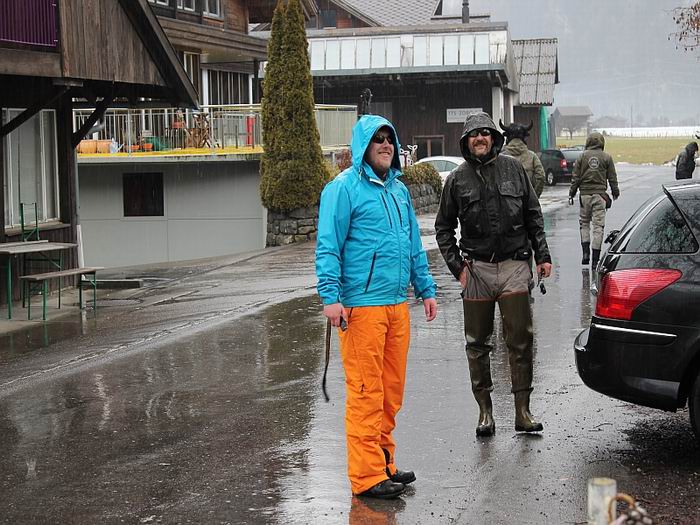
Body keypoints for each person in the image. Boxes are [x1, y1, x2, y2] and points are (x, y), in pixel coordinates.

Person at [316, 114, 438, 499]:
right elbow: (328, 246)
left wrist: (426, 288)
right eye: (377, 139)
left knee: (390, 392)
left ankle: (384, 462)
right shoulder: (342, 189)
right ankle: (366, 476)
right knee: (366, 392)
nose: (385, 144)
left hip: (396, 306)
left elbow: (413, 244)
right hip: (361, 308)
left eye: (390, 138)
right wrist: (331, 297)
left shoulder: (398, 190)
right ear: (363, 146)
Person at [434, 111, 552, 437]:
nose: (480, 138)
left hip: (514, 265)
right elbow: (443, 228)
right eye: (474, 135)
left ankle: (523, 412)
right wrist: (458, 268)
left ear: (494, 138)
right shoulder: (456, 179)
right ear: (466, 141)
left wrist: (542, 255)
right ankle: (485, 412)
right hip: (476, 270)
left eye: (485, 133)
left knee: (521, 340)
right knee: (477, 344)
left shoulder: (514, 168)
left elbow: (533, 214)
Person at [568, 132, 620, 268]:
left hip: (584, 196)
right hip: (600, 196)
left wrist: (572, 193)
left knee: (584, 223)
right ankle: (595, 260)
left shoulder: (582, 157)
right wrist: (615, 192)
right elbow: (612, 177)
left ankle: (585, 254)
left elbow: (575, 177)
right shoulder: (607, 157)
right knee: (598, 227)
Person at [500, 120, 546, 198]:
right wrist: (534, 197)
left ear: (507, 137)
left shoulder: (500, 157)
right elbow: (541, 177)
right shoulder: (532, 156)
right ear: (524, 137)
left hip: (506, 202)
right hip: (527, 200)